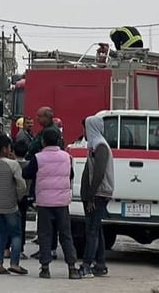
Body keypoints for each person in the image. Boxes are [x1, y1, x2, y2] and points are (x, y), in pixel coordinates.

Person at [22, 127, 82, 280]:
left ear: (43, 141)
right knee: (66, 235)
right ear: (58, 141)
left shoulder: (38, 157)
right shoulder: (67, 157)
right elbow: (71, 175)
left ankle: (45, 268)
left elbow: (27, 173)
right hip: (62, 203)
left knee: (45, 235)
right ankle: (72, 268)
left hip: (44, 202)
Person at [78, 116, 114, 278]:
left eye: (85, 128)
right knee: (96, 229)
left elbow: (98, 173)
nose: (83, 132)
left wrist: (91, 196)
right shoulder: (93, 145)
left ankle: (86, 265)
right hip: (93, 194)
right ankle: (100, 263)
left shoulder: (101, 146)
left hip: (98, 195)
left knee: (91, 230)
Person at [0, 135, 27, 275]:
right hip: (10, 204)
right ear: (4, 149)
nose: (10, 150)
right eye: (9, 147)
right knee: (15, 234)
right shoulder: (13, 164)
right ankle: (14, 263)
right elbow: (21, 184)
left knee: (1, 234)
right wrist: (19, 196)